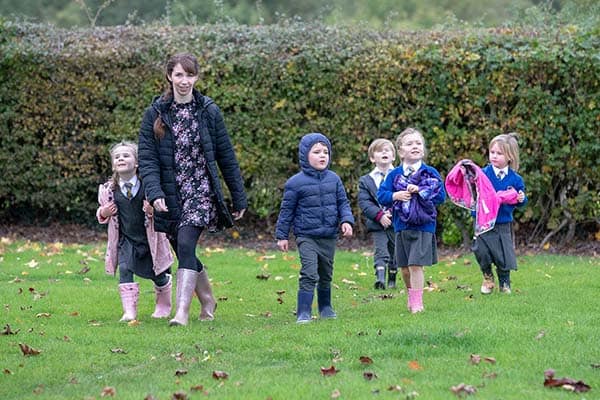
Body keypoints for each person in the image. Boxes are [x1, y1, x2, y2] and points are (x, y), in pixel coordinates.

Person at [138, 52, 247, 326]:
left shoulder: (209, 111)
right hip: (170, 193)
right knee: (183, 250)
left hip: (201, 190)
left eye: (189, 75)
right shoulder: (154, 113)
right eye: (178, 75)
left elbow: (226, 156)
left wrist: (238, 196)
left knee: (186, 243)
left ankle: (182, 313)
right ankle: (208, 299)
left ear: (196, 77)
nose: (184, 81)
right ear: (169, 76)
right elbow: (148, 159)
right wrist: (154, 193)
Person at [275, 133, 354, 323]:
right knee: (309, 272)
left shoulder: (334, 179)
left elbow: (343, 203)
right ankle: (303, 311)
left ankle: (325, 307)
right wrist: (282, 235)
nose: (322, 156)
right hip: (306, 236)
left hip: (328, 236)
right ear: (304, 156)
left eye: (325, 152)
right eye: (317, 152)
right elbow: (286, 211)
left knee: (326, 274)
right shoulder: (295, 183)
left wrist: (346, 221)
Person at [96, 141, 174, 322]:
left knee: (159, 274)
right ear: (113, 165)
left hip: (150, 240)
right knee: (124, 268)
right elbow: (101, 211)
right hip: (126, 239)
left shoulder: (148, 187)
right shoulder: (109, 190)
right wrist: (104, 212)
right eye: (117, 157)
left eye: (126, 155)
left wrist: (152, 211)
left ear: (137, 163)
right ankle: (129, 312)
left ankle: (163, 305)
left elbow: (165, 210)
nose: (121, 158)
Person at [377, 127, 445, 313]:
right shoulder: (394, 175)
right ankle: (411, 294)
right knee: (405, 268)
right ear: (400, 151)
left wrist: (422, 191)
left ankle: (417, 304)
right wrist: (395, 195)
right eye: (409, 143)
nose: (415, 146)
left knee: (416, 264)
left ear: (423, 149)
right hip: (401, 226)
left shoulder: (430, 173)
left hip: (424, 225)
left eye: (418, 143)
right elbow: (381, 195)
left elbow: (441, 197)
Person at [471, 133, 527, 294]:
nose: (494, 156)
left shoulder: (515, 179)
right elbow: (475, 195)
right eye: (492, 152)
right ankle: (488, 277)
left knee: (502, 254)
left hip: (502, 222)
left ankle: (505, 282)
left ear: (510, 156)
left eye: (499, 153)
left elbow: (521, 200)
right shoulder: (482, 174)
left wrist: (521, 198)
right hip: (483, 221)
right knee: (481, 251)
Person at [358, 138, 409, 290]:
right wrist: (380, 215)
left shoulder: (401, 176)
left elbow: (405, 196)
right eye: (380, 151)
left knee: (395, 251)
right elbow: (365, 203)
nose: (384, 152)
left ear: (394, 156)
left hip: (396, 221)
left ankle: (392, 278)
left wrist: (392, 213)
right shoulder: (366, 181)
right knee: (381, 250)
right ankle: (380, 278)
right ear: (373, 158)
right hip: (377, 222)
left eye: (388, 150)